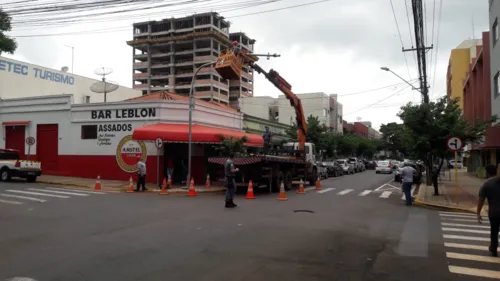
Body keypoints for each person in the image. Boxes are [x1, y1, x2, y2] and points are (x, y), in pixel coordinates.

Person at [477, 164, 500, 257]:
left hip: (494, 214)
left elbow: (481, 201)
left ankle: (494, 248)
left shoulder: (486, 184)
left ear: (487, 173)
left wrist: (478, 213)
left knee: (494, 232)